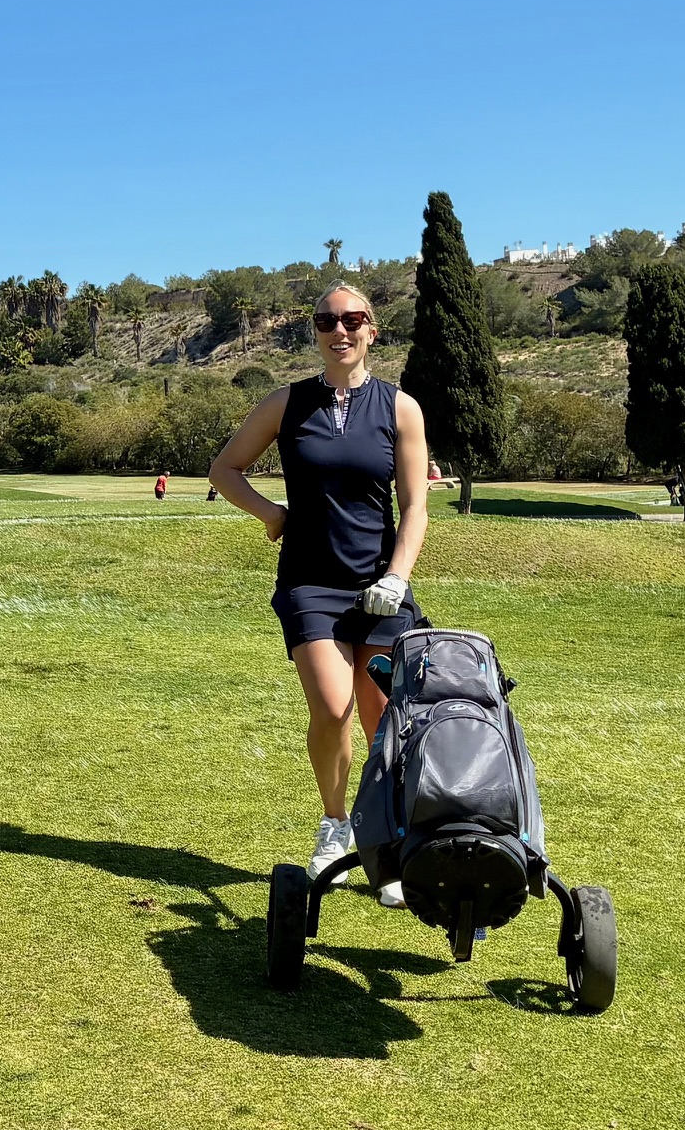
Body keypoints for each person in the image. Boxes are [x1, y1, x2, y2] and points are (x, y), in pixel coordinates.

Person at [210, 282, 428, 908]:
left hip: (380, 586)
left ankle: (386, 841)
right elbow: (225, 469)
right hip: (311, 584)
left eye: (352, 319)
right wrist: (271, 515)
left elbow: (414, 506)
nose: (340, 330)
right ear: (315, 331)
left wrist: (397, 577)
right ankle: (336, 825)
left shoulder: (400, 408)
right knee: (333, 710)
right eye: (327, 321)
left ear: (371, 330)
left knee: (384, 723)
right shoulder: (287, 402)